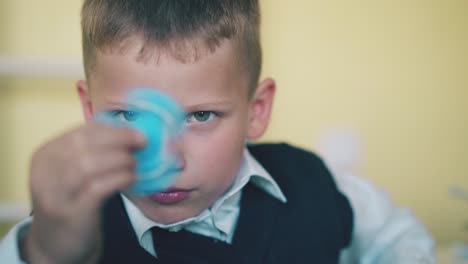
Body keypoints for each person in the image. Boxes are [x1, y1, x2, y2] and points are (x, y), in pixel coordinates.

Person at [0, 1, 434, 263]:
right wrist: (46, 253)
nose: (168, 157)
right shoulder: (62, 234)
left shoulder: (314, 186)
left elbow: (398, 238)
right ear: (90, 110)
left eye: (201, 116)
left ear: (256, 110)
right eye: (133, 118)